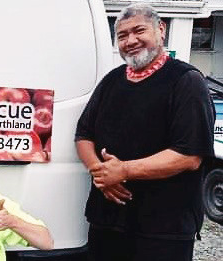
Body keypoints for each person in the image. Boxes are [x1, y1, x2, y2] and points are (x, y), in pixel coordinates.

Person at [75, 3, 215, 261]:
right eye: (122, 35)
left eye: (139, 30)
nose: (131, 41)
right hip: (107, 220)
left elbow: (189, 155)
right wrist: (102, 173)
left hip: (163, 228)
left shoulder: (186, 81)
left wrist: (124, 170)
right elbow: (83, 135)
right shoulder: (111, 81)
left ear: (160, 30)